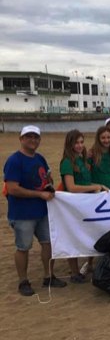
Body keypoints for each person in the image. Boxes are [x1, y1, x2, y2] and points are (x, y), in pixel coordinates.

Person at [4, 125, 67, 296]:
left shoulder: (40, 158)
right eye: (29, 137)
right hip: (22, 213)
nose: (33, 140)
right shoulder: (14, 161)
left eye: (36, 137)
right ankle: (23, 281)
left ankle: (49, 276)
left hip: (42, 211)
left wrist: (48, 186)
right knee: (23, 247)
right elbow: (12, 189)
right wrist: (39, 194)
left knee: (48, 243)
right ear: (21, 138)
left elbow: (47, 177)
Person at [60, 130, 107, 283]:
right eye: (76, 143)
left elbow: (85, 183)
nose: (80, 145)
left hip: (85, 204)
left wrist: (99, 185)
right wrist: (93, 188)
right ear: (70, 144)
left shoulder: (81, 159)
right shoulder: (67, 162)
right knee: (72, 237)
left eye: (81, 142)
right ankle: (74, 272)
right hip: (73, 205)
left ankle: (86, 266)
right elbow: (71, 187)